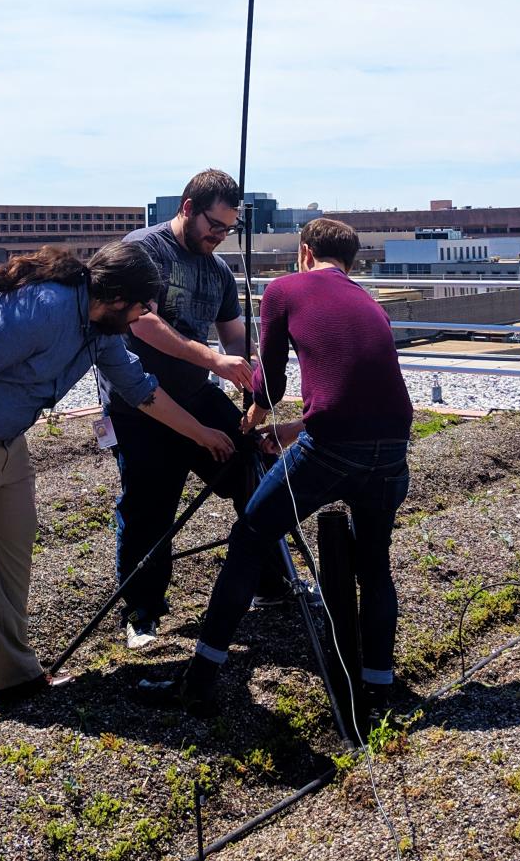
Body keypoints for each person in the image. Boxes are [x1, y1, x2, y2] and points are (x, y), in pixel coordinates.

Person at [0, 243, 235, 742]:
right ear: (117, 297)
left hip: (3, 433)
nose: (146, 316)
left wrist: (202, 434)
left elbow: (141, 389)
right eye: (144, 306)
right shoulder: (46, 307)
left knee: (9, 547)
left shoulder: (100, 330)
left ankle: (15, 680)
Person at [139, 218, 413, 726]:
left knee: (250, 538)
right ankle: (380, 686)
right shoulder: (369, 301)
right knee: (374, 563)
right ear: (349, 261)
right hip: (393, 447)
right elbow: (354, 389)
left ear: (304, 252)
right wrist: (290, 432)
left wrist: (254, 417)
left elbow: (272, 382)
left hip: (331, 448)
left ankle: (197, 680)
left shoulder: (284, 289)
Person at [105, 169, 284, 651]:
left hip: (193, 392)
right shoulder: (143, 250)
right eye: (214, 225)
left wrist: (255, 377)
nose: (219, 237)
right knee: (150, 505)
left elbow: (233, 338)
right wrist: (214, 360)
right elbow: (142, 323)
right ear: (187, 207)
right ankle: (142, 613)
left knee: (256, 470)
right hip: (138, 401)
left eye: (228, 229)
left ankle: (271, 581)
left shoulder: (219, 270)